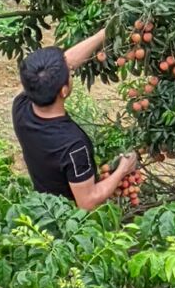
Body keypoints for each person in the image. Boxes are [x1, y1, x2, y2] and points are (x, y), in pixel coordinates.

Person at [12, 28, 137, 210]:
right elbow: (87, 201)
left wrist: (103, 34)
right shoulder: (73, 146)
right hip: (67, 220)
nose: (71, 71)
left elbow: (65, 63)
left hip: (43, 205)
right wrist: (122, 170)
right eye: (69, 75)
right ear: (63, 91)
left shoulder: (21, 107)